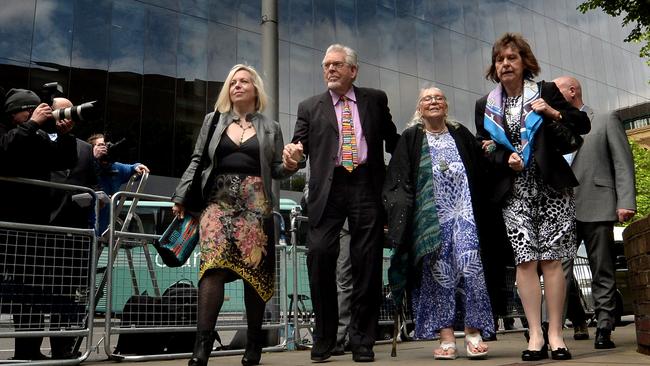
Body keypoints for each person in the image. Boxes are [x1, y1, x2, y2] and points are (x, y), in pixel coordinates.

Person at [172, 64, 299, 366]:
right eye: (233, 82)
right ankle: (201, 347)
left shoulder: (272, 128)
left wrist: (293, 165)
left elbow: (278, 170)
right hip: (217, 203)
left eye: (244, 81)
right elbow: (197, 159)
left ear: (255, 89)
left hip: (257, 207)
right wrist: (180, 195)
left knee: (254, 275)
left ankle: (253, 344)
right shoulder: (212, 121)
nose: (237, 86)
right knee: (211, 267)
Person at [474, 33, 590, 361]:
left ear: (525, 62)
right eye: (500, 60)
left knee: (553, 261)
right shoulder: (486, 104)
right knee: (525, 262)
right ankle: (535, 334)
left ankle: (556, 334)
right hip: (515, 192)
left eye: (512, 58)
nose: (505, 64)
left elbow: (581, 124)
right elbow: (484, 146)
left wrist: (552, 111)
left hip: (551, 187)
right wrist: (502, 158)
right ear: (494, 68)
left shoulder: (545, 91)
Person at [284, 43, 399, 363]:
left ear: (353, 70)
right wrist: (293, 155)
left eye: (336, 65)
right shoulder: (309, 106)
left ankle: (362, 339)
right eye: (325, 66)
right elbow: (298, 146)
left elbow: (394, 141)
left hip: (365, 186)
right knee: (319, 255)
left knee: (367, 264)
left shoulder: (375, 100)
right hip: (328, 190)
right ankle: (324, 337)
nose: (330, 70)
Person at [384, 87, 497, 360]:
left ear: (446, 106)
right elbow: (398, 180)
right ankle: (446, 339)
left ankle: (473, 334)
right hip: (431, 221)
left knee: (471, 268)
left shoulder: (460, 133)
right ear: (419, 108)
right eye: (427, 99)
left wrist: (491, 149)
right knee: (438, 275)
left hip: (465, 215)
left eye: (438, 98)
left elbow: (481, 167)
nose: (433, 102)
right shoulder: (411, 137)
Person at [553, 76, 636, 349]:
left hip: (598, 203)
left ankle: (604, 327)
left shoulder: (605, 119)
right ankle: (549, 328)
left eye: (557, 91)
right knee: (557, 270)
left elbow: (622, 162)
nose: (551, 95)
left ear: (572, 91)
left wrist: (625, 201)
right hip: (561, 210)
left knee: (602, 269)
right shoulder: (553, 126)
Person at [0, 88, 77, 360]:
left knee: (33, 293)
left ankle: (29, 351)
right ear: (15, 113)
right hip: (10, 226)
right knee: (20, 293)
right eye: (29, 110)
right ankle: (23, 351)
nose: (36, 114)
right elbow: (6, 151)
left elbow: (64, 160)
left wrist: (65, 136)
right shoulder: (9, 132)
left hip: (37, 228)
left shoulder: (39, 136)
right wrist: (32, 124)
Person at [48, 97, 98, 359]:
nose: (66, 114)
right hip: (40, 228)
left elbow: (93, 183)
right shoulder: (37, 140)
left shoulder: (84, 149)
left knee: (66, 294)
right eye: (60, 109)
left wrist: (91, 199)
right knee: (32, 294)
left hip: (73, 232)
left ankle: (61, 349)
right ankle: (26, 350)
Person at [87, 133, 149, 235]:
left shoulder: (115, 168)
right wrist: (93, 158)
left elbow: (131, 167)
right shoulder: (85, 164)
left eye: (107, 145)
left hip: (103, 230)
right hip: (85, 226)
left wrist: (137, 166)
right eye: (101, 145)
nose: (105, 148)